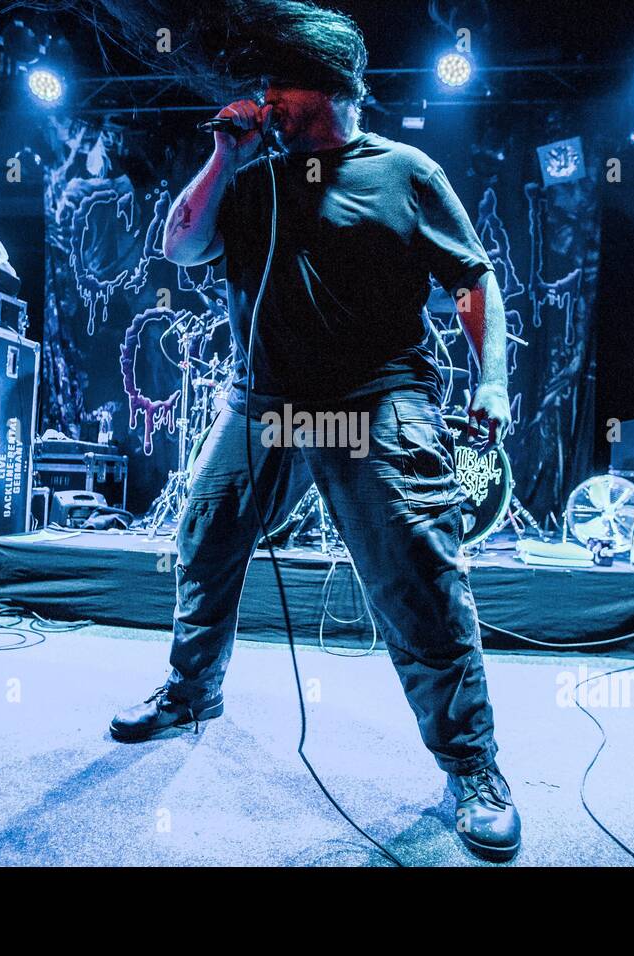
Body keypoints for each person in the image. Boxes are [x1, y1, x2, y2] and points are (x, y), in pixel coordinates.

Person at [107, 14, 521, 861]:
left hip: (377, 402)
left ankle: (473, 766)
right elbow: (179, 245)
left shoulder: (405, 173)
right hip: (265, 404)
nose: (267, 102)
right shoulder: (252, 178)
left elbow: (473, 279)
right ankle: (191, 692)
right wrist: (226, 155)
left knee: (416, 576)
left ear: (327, 86)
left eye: (280, 88)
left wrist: (492, 379)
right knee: (206, 540)